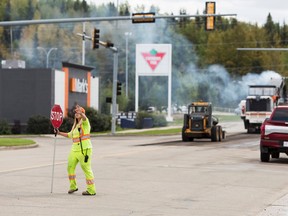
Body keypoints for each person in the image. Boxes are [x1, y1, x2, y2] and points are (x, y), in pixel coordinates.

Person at [55, 105, 96, 196]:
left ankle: (91, 190)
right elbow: (70, 135)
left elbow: (85, 118)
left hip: (84, 150)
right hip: (74, 150)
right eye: (76, 113)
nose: (77, 114)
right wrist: (59, 133)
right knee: (70, 167)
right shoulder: (75, 125)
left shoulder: (85, 122)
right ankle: (73, 186)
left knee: (86, 168)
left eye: (79, 113)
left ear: (82, 114)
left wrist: (82, 113)